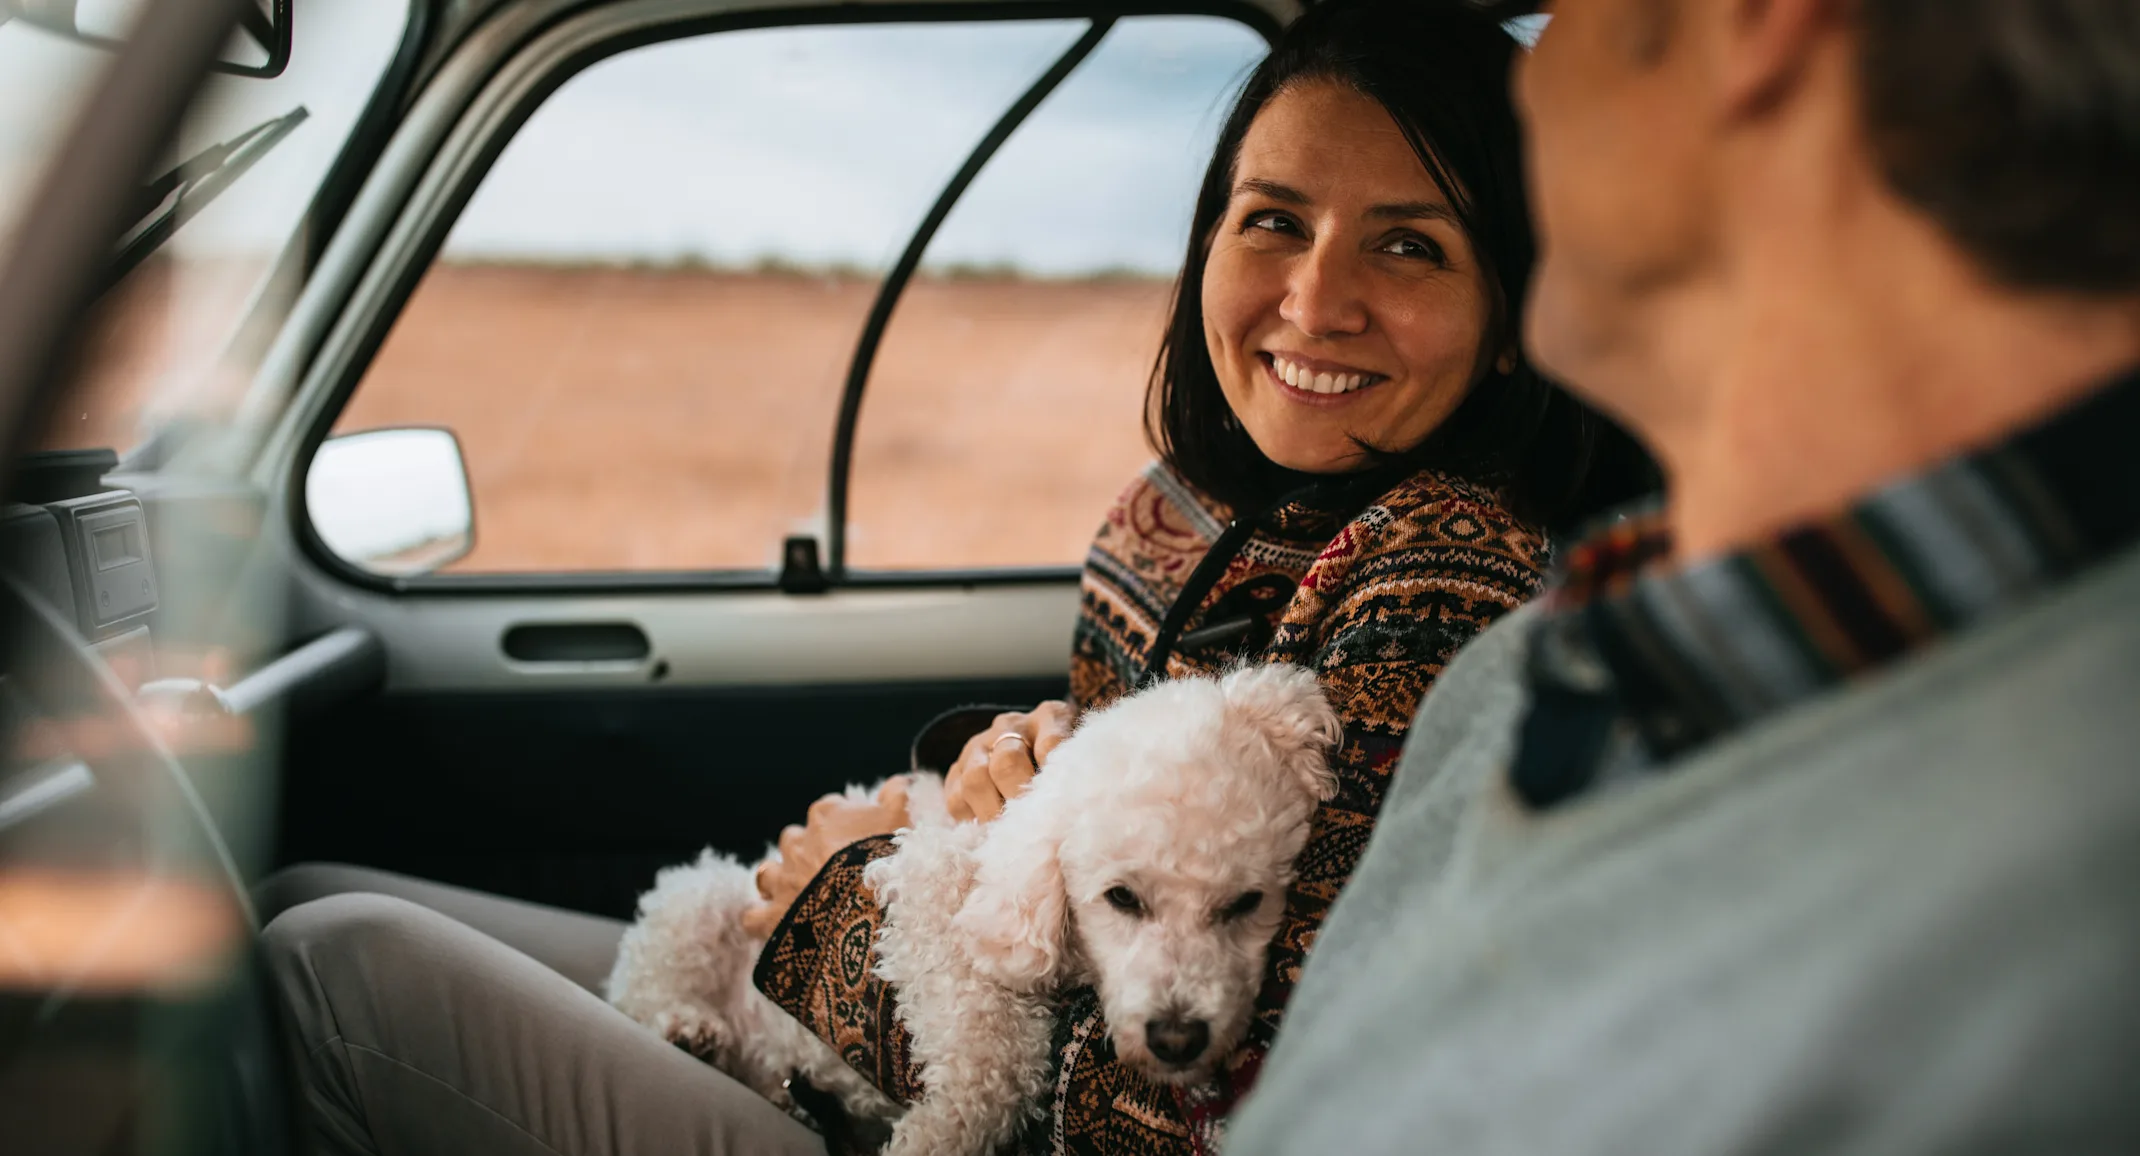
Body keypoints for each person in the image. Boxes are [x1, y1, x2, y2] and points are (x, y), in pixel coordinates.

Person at [260, 3, 1647, 1154]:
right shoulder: (1194, 506)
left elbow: (1204, 1086)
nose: (1312, 299)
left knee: (334, 970)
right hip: (901, 1034)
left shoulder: (1447, 578)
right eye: (1273, 220)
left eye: (1410, 245)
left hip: (958, 1117)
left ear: (1517, 314)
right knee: (301, 890)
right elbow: (1111, 805)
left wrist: (835, 915)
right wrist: (999, 767)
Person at [1227, 1, 2140, 1153]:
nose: (1531, 73)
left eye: (1558, 8)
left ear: (1756, 23)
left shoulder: (2068, 941)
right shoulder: (1528, 671)